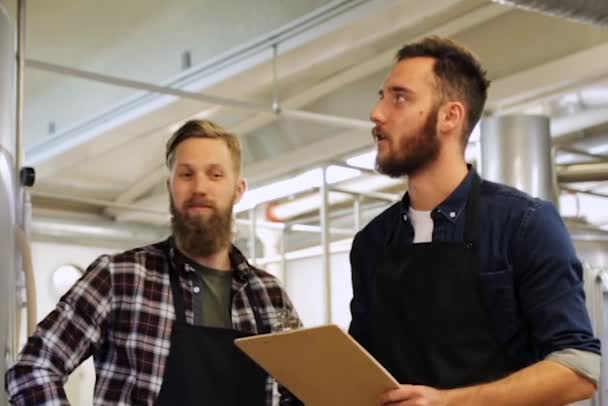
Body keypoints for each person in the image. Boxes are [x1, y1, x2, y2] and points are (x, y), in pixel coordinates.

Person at [348, 36, 601, 405]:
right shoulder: (372, 242)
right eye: (381, 95)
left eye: (399, 97)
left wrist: (448, 402)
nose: (377, 112)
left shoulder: (525, 224)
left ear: (451, 116)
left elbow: (578, 369)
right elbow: (365, 365)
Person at [6, 120, 302, 405]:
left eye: (215, 174)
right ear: (170, 186)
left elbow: (303, 392)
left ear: (238, 190)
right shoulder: (119, 278)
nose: (199, 187)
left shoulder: (268, 294)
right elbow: (33, 368)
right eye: (186, 174)